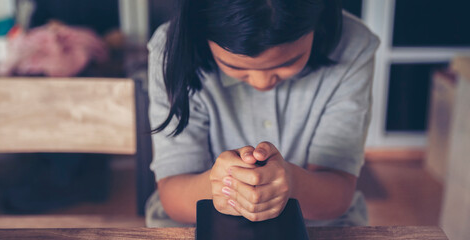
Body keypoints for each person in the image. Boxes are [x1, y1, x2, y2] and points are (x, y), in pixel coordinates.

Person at [146, 0, 379, 227]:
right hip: (195, 223)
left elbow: (338, 194)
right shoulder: (172, 49)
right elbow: (173, 196)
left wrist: (292, 184)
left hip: (320, 225)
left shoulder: (353, 44)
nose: (262, 82)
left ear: (318, 21)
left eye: (289, 61)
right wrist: (223, 186)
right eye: (236, 67)